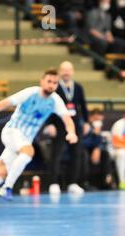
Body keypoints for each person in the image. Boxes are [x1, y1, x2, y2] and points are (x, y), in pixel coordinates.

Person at [0, 68, 78, 203]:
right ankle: (7, 187)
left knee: (1, 172)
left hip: (23, 140)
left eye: (55, 83)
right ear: (42, 81)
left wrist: (72, 132)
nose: (51, 85)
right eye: (49, 81)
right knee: (29, 151)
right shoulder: (30, 92)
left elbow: (67, 119)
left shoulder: (55, 100)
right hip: (12, 131)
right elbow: (4, 103)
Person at [45, 61, 88, 195]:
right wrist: (50, 124)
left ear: (73, 71)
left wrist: (86, 122)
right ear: (60, 72)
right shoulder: (55, 87)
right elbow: (49, 107)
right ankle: (54, 183)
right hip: (59, 125)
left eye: (68, 70)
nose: (66, 73)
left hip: (75, 126)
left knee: (76, 154)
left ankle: (73, 183)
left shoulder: (78, 87)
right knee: (56, 154)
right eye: (63, 70)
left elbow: (83, 106)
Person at [111, 115, 125, 190]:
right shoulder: (118, 125)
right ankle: (122, 182)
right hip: (117, 149)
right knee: (122, 154)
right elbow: (116, 143)